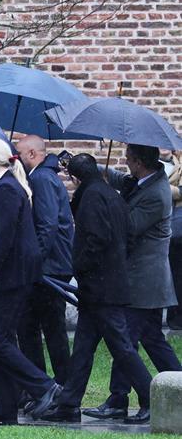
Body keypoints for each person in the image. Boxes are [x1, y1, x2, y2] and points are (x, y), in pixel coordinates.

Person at [32, 154, 153, 423]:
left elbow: (94, 240)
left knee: (121, 346)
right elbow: (129, 236)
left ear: (75, 179)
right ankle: (68, 405)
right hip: (106, 284)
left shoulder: (92, 197)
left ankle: (150, 397)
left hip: (100, 287)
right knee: (84, 348)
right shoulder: (112, 195)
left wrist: (81, 268)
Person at [85, 143, 180, 422]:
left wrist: (107, 203)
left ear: (138, 162)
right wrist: (93, 170)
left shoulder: (156, 193)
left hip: (144, 280)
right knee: (152, 340)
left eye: (128, 159)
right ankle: (175, 389)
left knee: (123, 340)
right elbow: (117, 178)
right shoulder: (145, 181)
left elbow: (129, 227)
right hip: (143, 280)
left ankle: (123, 399)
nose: (126, 164)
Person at [0, 138, 61, 426]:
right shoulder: (5, 187)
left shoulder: (6, 189)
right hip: (10, 275)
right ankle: (4, 408)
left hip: (9, 277)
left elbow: (4, 236)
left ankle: (45, 387)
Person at [15, 134, 74, 384]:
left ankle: (55, 386)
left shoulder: (41, 178)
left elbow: (47, 224)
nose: (16, 159)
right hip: (51, 264)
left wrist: (34, 259)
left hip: (48, 267)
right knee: (40, 327)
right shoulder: (43, 176)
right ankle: (48, 385)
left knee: (45, 329)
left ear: (31, 154)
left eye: (19, 154)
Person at [167, 150, 182, 329]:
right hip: (172, 225)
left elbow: (179, 193)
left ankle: (177, 320)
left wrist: (160, 185)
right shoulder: (173, 166)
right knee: (174, 274)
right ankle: (175, 318)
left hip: (178, 227)